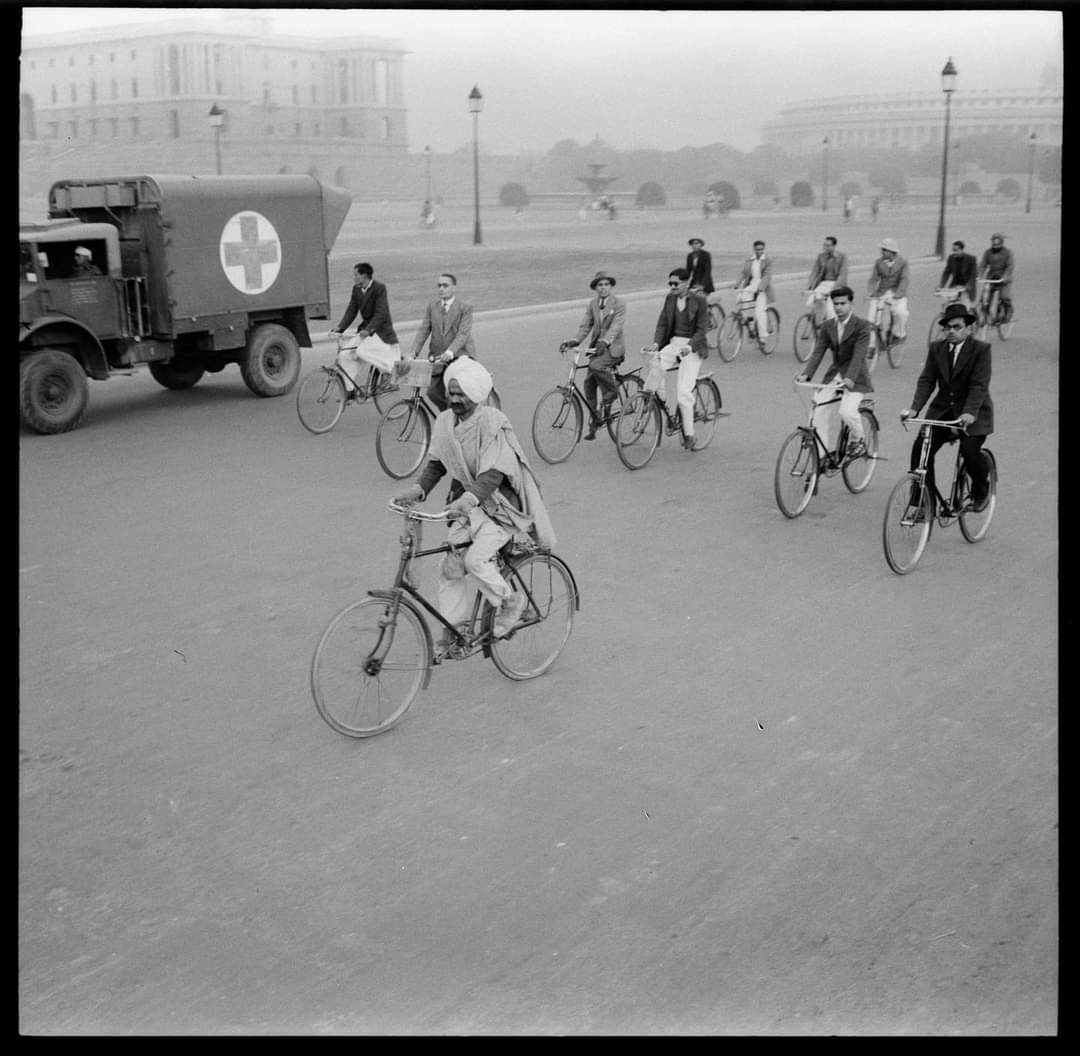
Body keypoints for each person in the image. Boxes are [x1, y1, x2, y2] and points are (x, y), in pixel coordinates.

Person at [392, 357, 555, 645]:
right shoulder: (445, 421)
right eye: (451, 393)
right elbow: (438, 463)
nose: (454, 399)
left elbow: (494, 472)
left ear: (476, 395)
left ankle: (510, 602)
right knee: (450, 568)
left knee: (475, 560)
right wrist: (418, 489)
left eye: (461, 394)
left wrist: (469, 498)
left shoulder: (492, 422)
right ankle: (455, 628)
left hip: (500, 507)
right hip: (467, 507)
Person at [900, 301, 993, 515]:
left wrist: (969, 412)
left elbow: (979, 385)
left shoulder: (981, 350)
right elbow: (927, 380)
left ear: (968, 328)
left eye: (957, 327)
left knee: (970, 452)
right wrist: (914, 409)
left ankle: (981, 490)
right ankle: (924, 504)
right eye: (947, 327)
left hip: (973, 413)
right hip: (942, 412)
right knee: (921, 451)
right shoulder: (937, 349)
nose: (951, 331)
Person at [795, 285, 873, 459]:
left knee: (847, 412)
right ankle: (821, 458)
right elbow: (818, 351)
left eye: (843, 303)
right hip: (835, 375)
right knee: (817, 412)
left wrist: (850, 378)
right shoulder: (828, 326)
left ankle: (859, 440)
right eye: (836, 304)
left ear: (851, 304)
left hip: (856, 376)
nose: (839, 308)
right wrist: (806, 374)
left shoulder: (862, 326)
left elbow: (859, 356)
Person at [642, 268, 709, 451]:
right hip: (674, 344)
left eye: (676, 283)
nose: (672, 287)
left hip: (692, 347)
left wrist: (690, 347)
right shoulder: (670, 299)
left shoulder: (699, 301)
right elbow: (663, 323)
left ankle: (689, 435)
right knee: (655, 364)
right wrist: (656, 343)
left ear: (686, 283)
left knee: (683, 392)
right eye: (670, 283)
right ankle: (658, 399)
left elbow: (702, 329)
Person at [562, 270, 626, 440]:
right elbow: (586, 325)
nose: (603, 288)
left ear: (610, 286)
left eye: (606, 284)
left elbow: (616, 326)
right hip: (597, 349)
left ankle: (611, 392)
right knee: (588, 384)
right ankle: (595, 420)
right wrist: (575, 341)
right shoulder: (593, 304)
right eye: (600, 285)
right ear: (595, 288)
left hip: (613, 348)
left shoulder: (619, 303)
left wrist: (605, 341)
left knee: (596, 366)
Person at [406, 273, 476, 411]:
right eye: (439, 286)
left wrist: (450, 352)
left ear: (454, 287)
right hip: (438, 358)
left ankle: (464, 415)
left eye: (445, 285)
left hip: (459, 356)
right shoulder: (432, 306)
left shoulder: (465, 307)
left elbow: (463, 334)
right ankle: (449, 415)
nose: (441, 289)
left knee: (457, 392)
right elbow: (424, 330)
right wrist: (413, 352)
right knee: (432, 392)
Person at [327, 262, 400, 391]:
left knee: (361, 351)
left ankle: (390, 372)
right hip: (365, 330)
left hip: (380, 331)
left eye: (356, 275)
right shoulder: (356, 289)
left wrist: (369, 329)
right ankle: (349, 390)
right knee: (344, 354)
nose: (354, 278)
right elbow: (351, 310)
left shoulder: (379, 288)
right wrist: (340, 328)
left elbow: (381, 313)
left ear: (364, 276)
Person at [866, 237, 910, 344]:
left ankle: (899, 334)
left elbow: (904, 279)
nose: (882, 252)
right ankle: (872, 343)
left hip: (897, 294)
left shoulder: (903, 262)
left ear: (892, 251)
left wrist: (898, 294)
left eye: (884, 250)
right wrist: (871, 291)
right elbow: (874, 278)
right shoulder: (878, 262)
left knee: (901, 313)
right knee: (871, 317)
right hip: (881, 293)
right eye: (882, 250)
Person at [734, 240, 776, 348]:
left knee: (759, 311)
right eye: (757, 249)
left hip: (762, 288)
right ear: (754, 249)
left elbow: (767, 276)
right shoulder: (749, 260)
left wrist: (760, 288)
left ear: (764, 249)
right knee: (743, 303)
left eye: (761, 249)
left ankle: (763, 337)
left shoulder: (767, 260)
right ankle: (751, 327)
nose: (759, 251)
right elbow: (743, 273)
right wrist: (737, 284)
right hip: (751, 285)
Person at [804, 236, 849, 322]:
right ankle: (819, 322)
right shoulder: (821, 257)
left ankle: (832, 325)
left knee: (830, 311)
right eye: (824, 245)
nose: (825, 248)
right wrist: (808, 287)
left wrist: (834, 289)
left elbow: (842, 275)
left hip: (836, 285)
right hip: (823, 284)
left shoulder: (842, 257)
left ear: (834, 246)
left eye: (828, 246)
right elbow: (814, 272)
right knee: (810, 303)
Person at [979, 232, 1015, 322]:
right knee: (985, 298)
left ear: (1001, 243)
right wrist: (980, 275)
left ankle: (1008, 310)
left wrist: (1005, 277)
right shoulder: (988, 252)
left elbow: (1010, 266)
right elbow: (983, 265)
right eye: (993, 244)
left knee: (1004, 297)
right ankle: (985, 314)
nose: (995, 246)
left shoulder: (1008, 253)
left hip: (1003, 279)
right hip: (991, 278)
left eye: (997, 244)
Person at [939, 240, 978, 307]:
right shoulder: (951, 258)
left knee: (966, 307)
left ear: (962, 250)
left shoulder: (971, 259)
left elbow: (973, 275)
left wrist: (968, 285)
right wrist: (941, 285)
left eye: (956, 250)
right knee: (947, 304)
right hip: (955, 286)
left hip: (967, 287)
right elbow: (946, 272)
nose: (954, 252)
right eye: (953, 250)